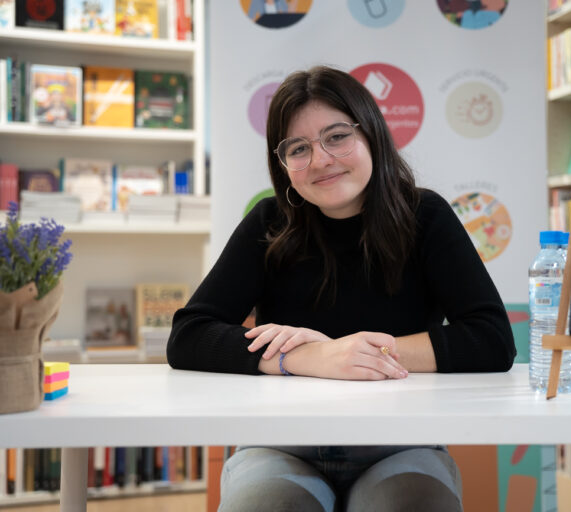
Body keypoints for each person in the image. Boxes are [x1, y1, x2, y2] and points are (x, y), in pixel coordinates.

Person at [167, 65, 515, 512]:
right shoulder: (270, 223)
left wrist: (359, 355)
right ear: (283, 164)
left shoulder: (425, 216)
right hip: (280, 443)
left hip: (401, 443)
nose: (320, 160)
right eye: (299, 148)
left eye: (336, 137)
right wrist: (310, 358)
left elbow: (492, 339)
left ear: (371, 134)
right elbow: (189, 335)